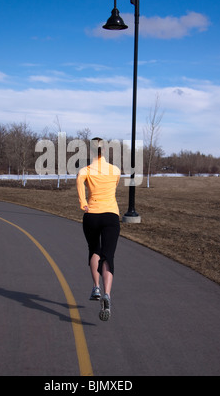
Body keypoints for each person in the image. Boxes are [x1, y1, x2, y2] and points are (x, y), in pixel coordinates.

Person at [76, 137, 121, 321]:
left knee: (94, 249)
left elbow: (80, 186)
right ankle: (107, 294)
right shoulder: (115, 170)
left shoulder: (84, 171)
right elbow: (115, 185)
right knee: (108, 255)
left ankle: (96, 287)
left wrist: (84, 204)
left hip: (92, 214)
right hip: (111, 215)